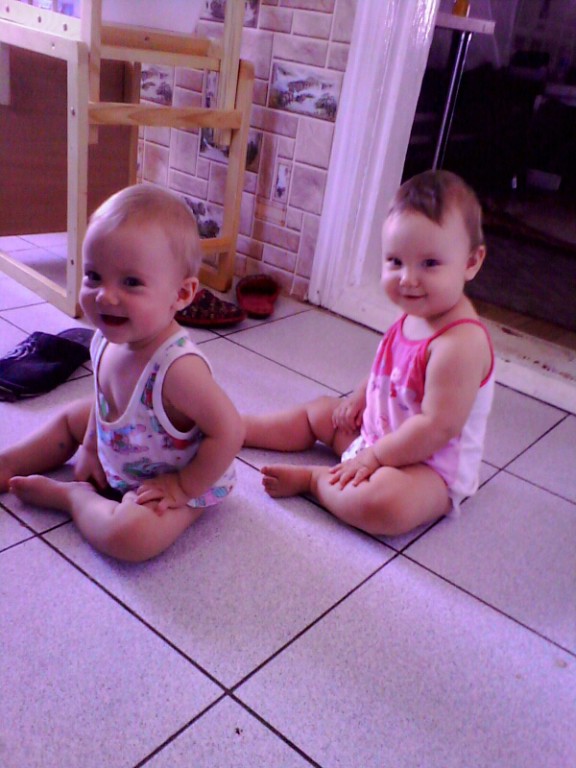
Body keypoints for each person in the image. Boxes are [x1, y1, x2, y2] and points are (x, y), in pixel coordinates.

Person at [243, 170, 495, 537]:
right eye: (395, 261)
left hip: (428, 469)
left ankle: (316, 481)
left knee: (387, 504)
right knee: (320, 412)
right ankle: (242, 429)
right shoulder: (417, 312)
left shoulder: (459, 344)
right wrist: (358, 398)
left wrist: (375, 457)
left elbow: (437, 427)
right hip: (378, 437)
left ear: (471, 262)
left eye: (429, 263)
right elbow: (387, 371)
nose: (408, 279)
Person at [0, 185, 244, 561]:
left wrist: (182, 486)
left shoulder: (178, 369)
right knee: (71, 417)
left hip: (171, 478)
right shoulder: (104, 339)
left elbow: (230, 430)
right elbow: (100, 403)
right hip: (126, 441)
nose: (105, 296)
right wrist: (89, 447)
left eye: (130, 282)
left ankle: (74, 500)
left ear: (181, 294)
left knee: (131, 537)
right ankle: (9, 462)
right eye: (94, 276)